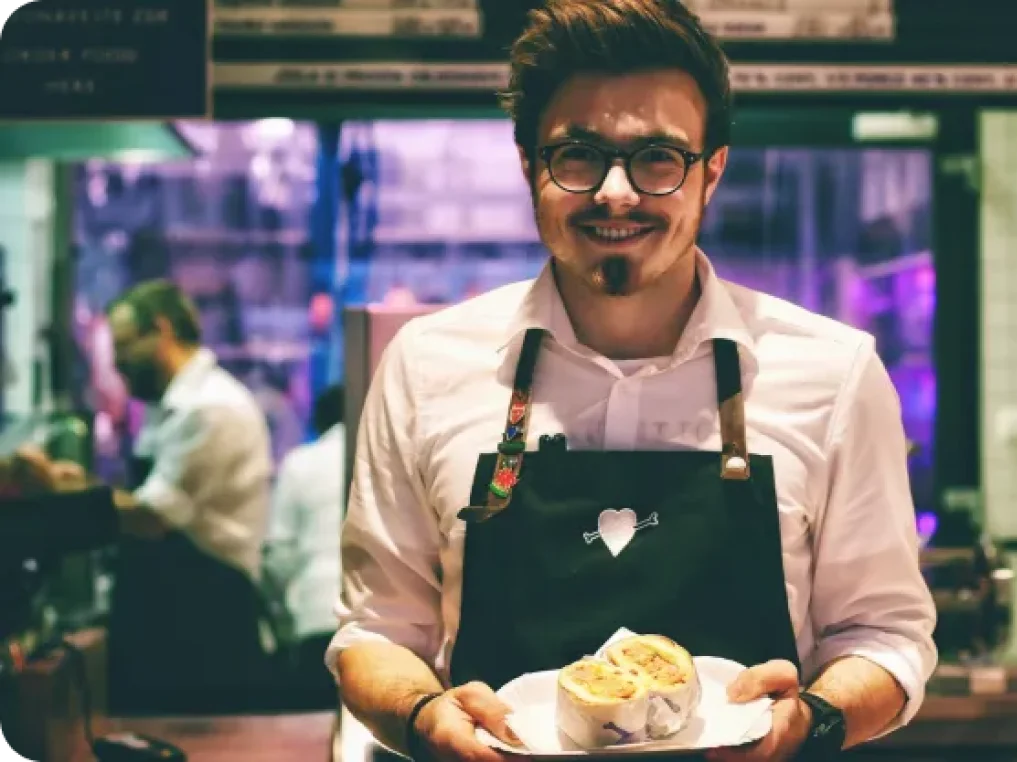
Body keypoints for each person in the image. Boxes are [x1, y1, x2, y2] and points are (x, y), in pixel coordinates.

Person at [328, 2, 937, 760]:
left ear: (711, 171)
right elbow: (378, 631)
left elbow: (886, 635)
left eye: (657, 156)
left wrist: (810, 721)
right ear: (529, 167)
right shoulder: (426, 366)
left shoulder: (832, 374)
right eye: (578, 155)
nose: (617, 192)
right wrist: (423, 717)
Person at [103, 279, 275, 714]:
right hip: (177, 609)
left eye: (123, 346)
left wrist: (66, 501)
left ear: (161, 331)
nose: (117, 363)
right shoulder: (173, 406)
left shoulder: (209, 407)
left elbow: (151, 517)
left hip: (204, 617)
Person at [263, 384, 345, 707]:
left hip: (316, 617)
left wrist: (283, 618)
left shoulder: (301, 463)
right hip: (387, 634)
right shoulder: (395, 458)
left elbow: (279, 555)